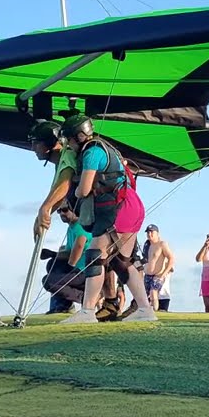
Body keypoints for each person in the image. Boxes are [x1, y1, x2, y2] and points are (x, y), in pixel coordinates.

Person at [57, 114, 156, 324]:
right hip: (131, 205)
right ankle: (145, 309)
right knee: (121, 262)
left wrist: (71, 193)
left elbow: (83, 190)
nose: (68, 145)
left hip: (118, 208)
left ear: (78, 136)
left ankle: (87, 311)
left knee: (95, 255)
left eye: (69, 140)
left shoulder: (92, 152)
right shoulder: (105, 148)